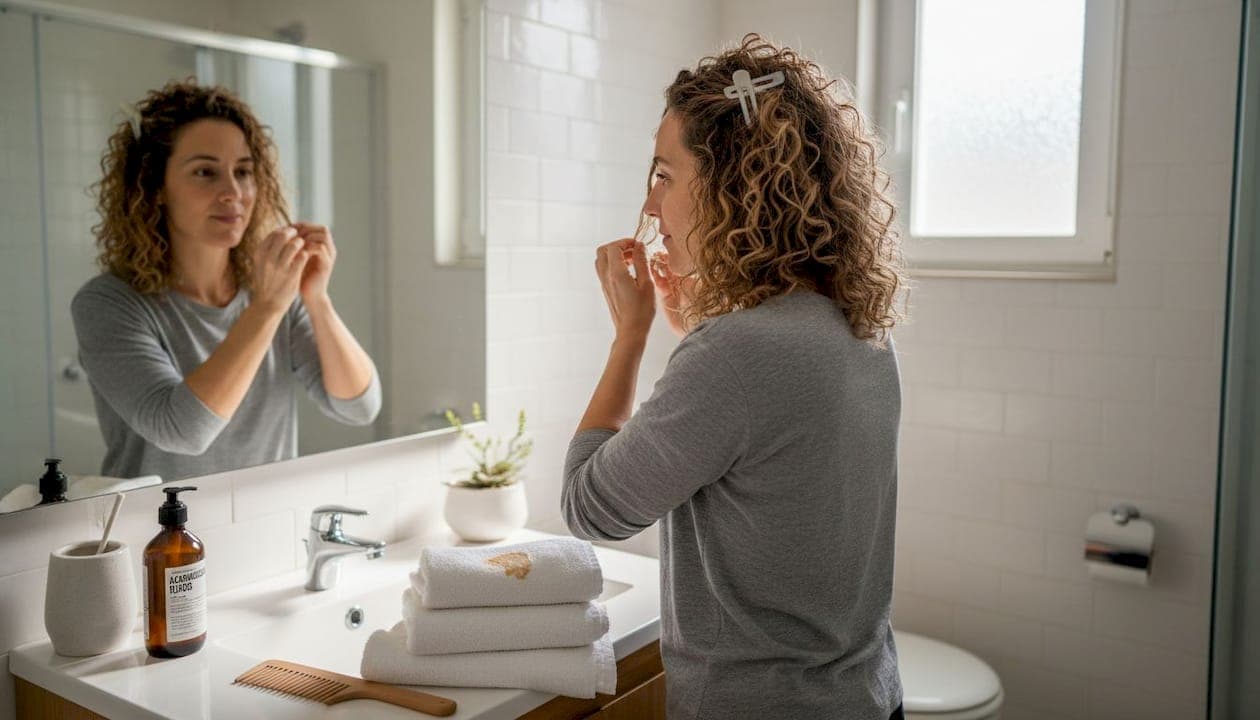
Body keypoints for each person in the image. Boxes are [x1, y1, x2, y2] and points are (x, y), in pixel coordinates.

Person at [562, 35, 907, 719]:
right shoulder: (855, 323)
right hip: (866, 697)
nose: (651, 205)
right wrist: (695, 330)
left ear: (731, 185)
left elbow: (590, 508)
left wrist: (630, 338)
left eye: (664, 174)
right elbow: (768, 450)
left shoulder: (738, 354)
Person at [71, 80, 381, 481]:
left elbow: (359, 407)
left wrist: (316, 299)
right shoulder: (109, 304)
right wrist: (267, 308)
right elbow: (182, 430)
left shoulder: (270, 289)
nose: (232, 192)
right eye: (205, 172)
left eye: (243, 172)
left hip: (264, 522)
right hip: (160, 536)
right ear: (156, 186)